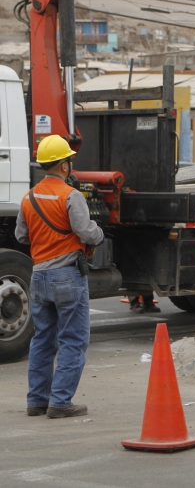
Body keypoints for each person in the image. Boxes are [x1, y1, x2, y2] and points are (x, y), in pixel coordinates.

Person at [15, 135, 104, 419]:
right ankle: (61, 401)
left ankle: (37, 401)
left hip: (38, 278)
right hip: (67, 276)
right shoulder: (70, 195)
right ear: (64, 165)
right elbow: (87, 232)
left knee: (42, 339)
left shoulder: (28, 197)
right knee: (73, 340)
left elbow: (20, 235)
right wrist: (99, 233)